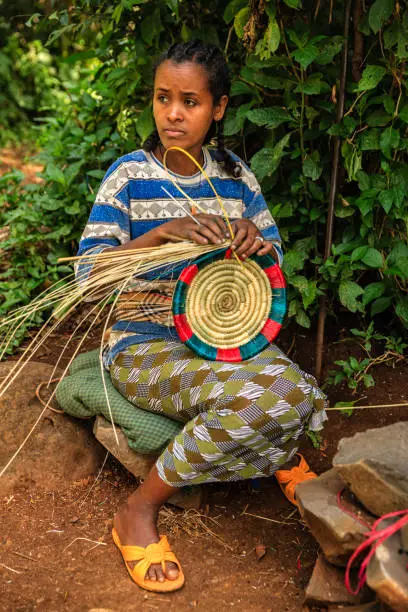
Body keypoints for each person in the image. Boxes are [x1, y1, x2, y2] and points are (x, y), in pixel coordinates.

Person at [76, 40, 327, 592]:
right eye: (163, 98)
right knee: (272, 398)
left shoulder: (235, 176)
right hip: (144, 344)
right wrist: (161, 235)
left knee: (299, 393)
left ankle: (273, 450)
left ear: (218, 108)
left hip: (229, 339)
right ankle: (138, 510)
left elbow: (276, 258)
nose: (173, 113)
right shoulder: (128, 177)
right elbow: (88, 278)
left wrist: (255, 240)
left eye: (190, 101)